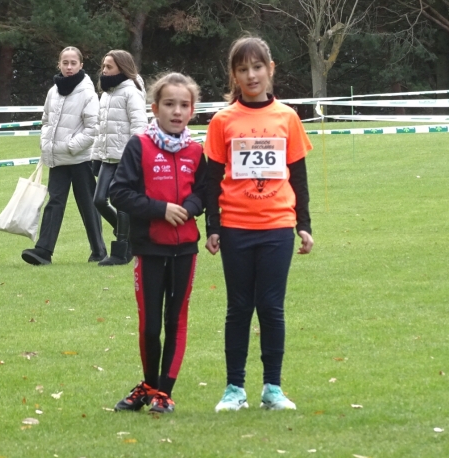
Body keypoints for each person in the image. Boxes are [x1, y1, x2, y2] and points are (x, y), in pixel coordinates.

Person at [204, 37, 314, 412]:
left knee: (271, 307)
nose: (251, 75)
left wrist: (304, 224)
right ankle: (234, 388)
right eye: (242, 69)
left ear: (271, 69)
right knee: (238, 307)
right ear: (233, 75)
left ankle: (273, 388)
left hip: (277, 228)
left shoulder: (287, 117)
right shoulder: (222, 121)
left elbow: (298, 176)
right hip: (235, 227)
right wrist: (213, 227)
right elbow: (211, 178)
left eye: (257, 67)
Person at [109, 73, 207, 414]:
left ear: (192, 110)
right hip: (150, 248)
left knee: (175, 320)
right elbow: (119, 192)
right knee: (150, 324)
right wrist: (160, 209)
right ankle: (148, 384)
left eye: (183, 105)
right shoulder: (139, 146)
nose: (176, 111)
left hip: (185, 251)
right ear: (155, 108)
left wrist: (191, 208)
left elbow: (204, 193)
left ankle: (164, 391)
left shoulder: (197, 151)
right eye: (169, 104)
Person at [21, 46, 106, 265]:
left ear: (81, 65)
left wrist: (70, 146)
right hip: (57, 159)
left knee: (88, 204)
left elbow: (93, 128)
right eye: (65, 63)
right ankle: (43, 251)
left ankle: (99, 250)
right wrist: (46, 142)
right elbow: (46, 120)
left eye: (73, 63)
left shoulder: (88, 93)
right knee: (54, 202)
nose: (69, 67)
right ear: (59, 64)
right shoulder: (53, 92)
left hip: (80, 159)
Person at [90, 50, 148, 266]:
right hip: (107, 157)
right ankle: (131, 236)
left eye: (109, 67)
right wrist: (96, 156)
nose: (104, 70)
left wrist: (134, 156)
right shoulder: (106, 94)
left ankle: (121, 252)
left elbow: (139, 126)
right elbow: (101, 129)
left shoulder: (131, 92)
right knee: (98, 200)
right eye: (103, 66)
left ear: (121, 68)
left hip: (126, 158)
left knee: (122, 203)